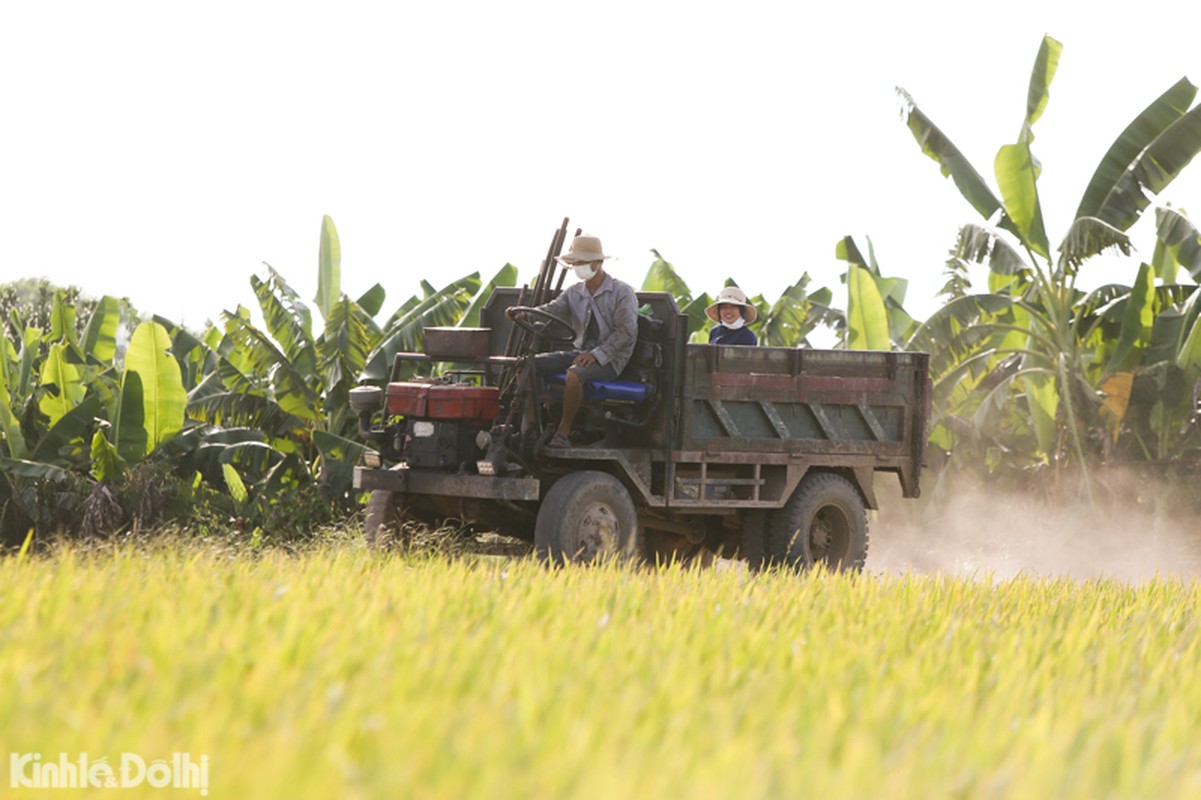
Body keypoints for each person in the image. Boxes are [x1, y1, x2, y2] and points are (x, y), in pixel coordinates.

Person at [506, 233, 639, 448]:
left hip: (611, 359)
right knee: (525, 365)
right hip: (580, 352)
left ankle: (563, 431)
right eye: (575, 263)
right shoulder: (574, 292)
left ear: (598, 262)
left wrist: (596, 355)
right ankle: (531, 425)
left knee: (574, 374)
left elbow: (626, 332)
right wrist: (526, 314)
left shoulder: (622, 292)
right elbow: (552, 310)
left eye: (582, 262)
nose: (578, 266)